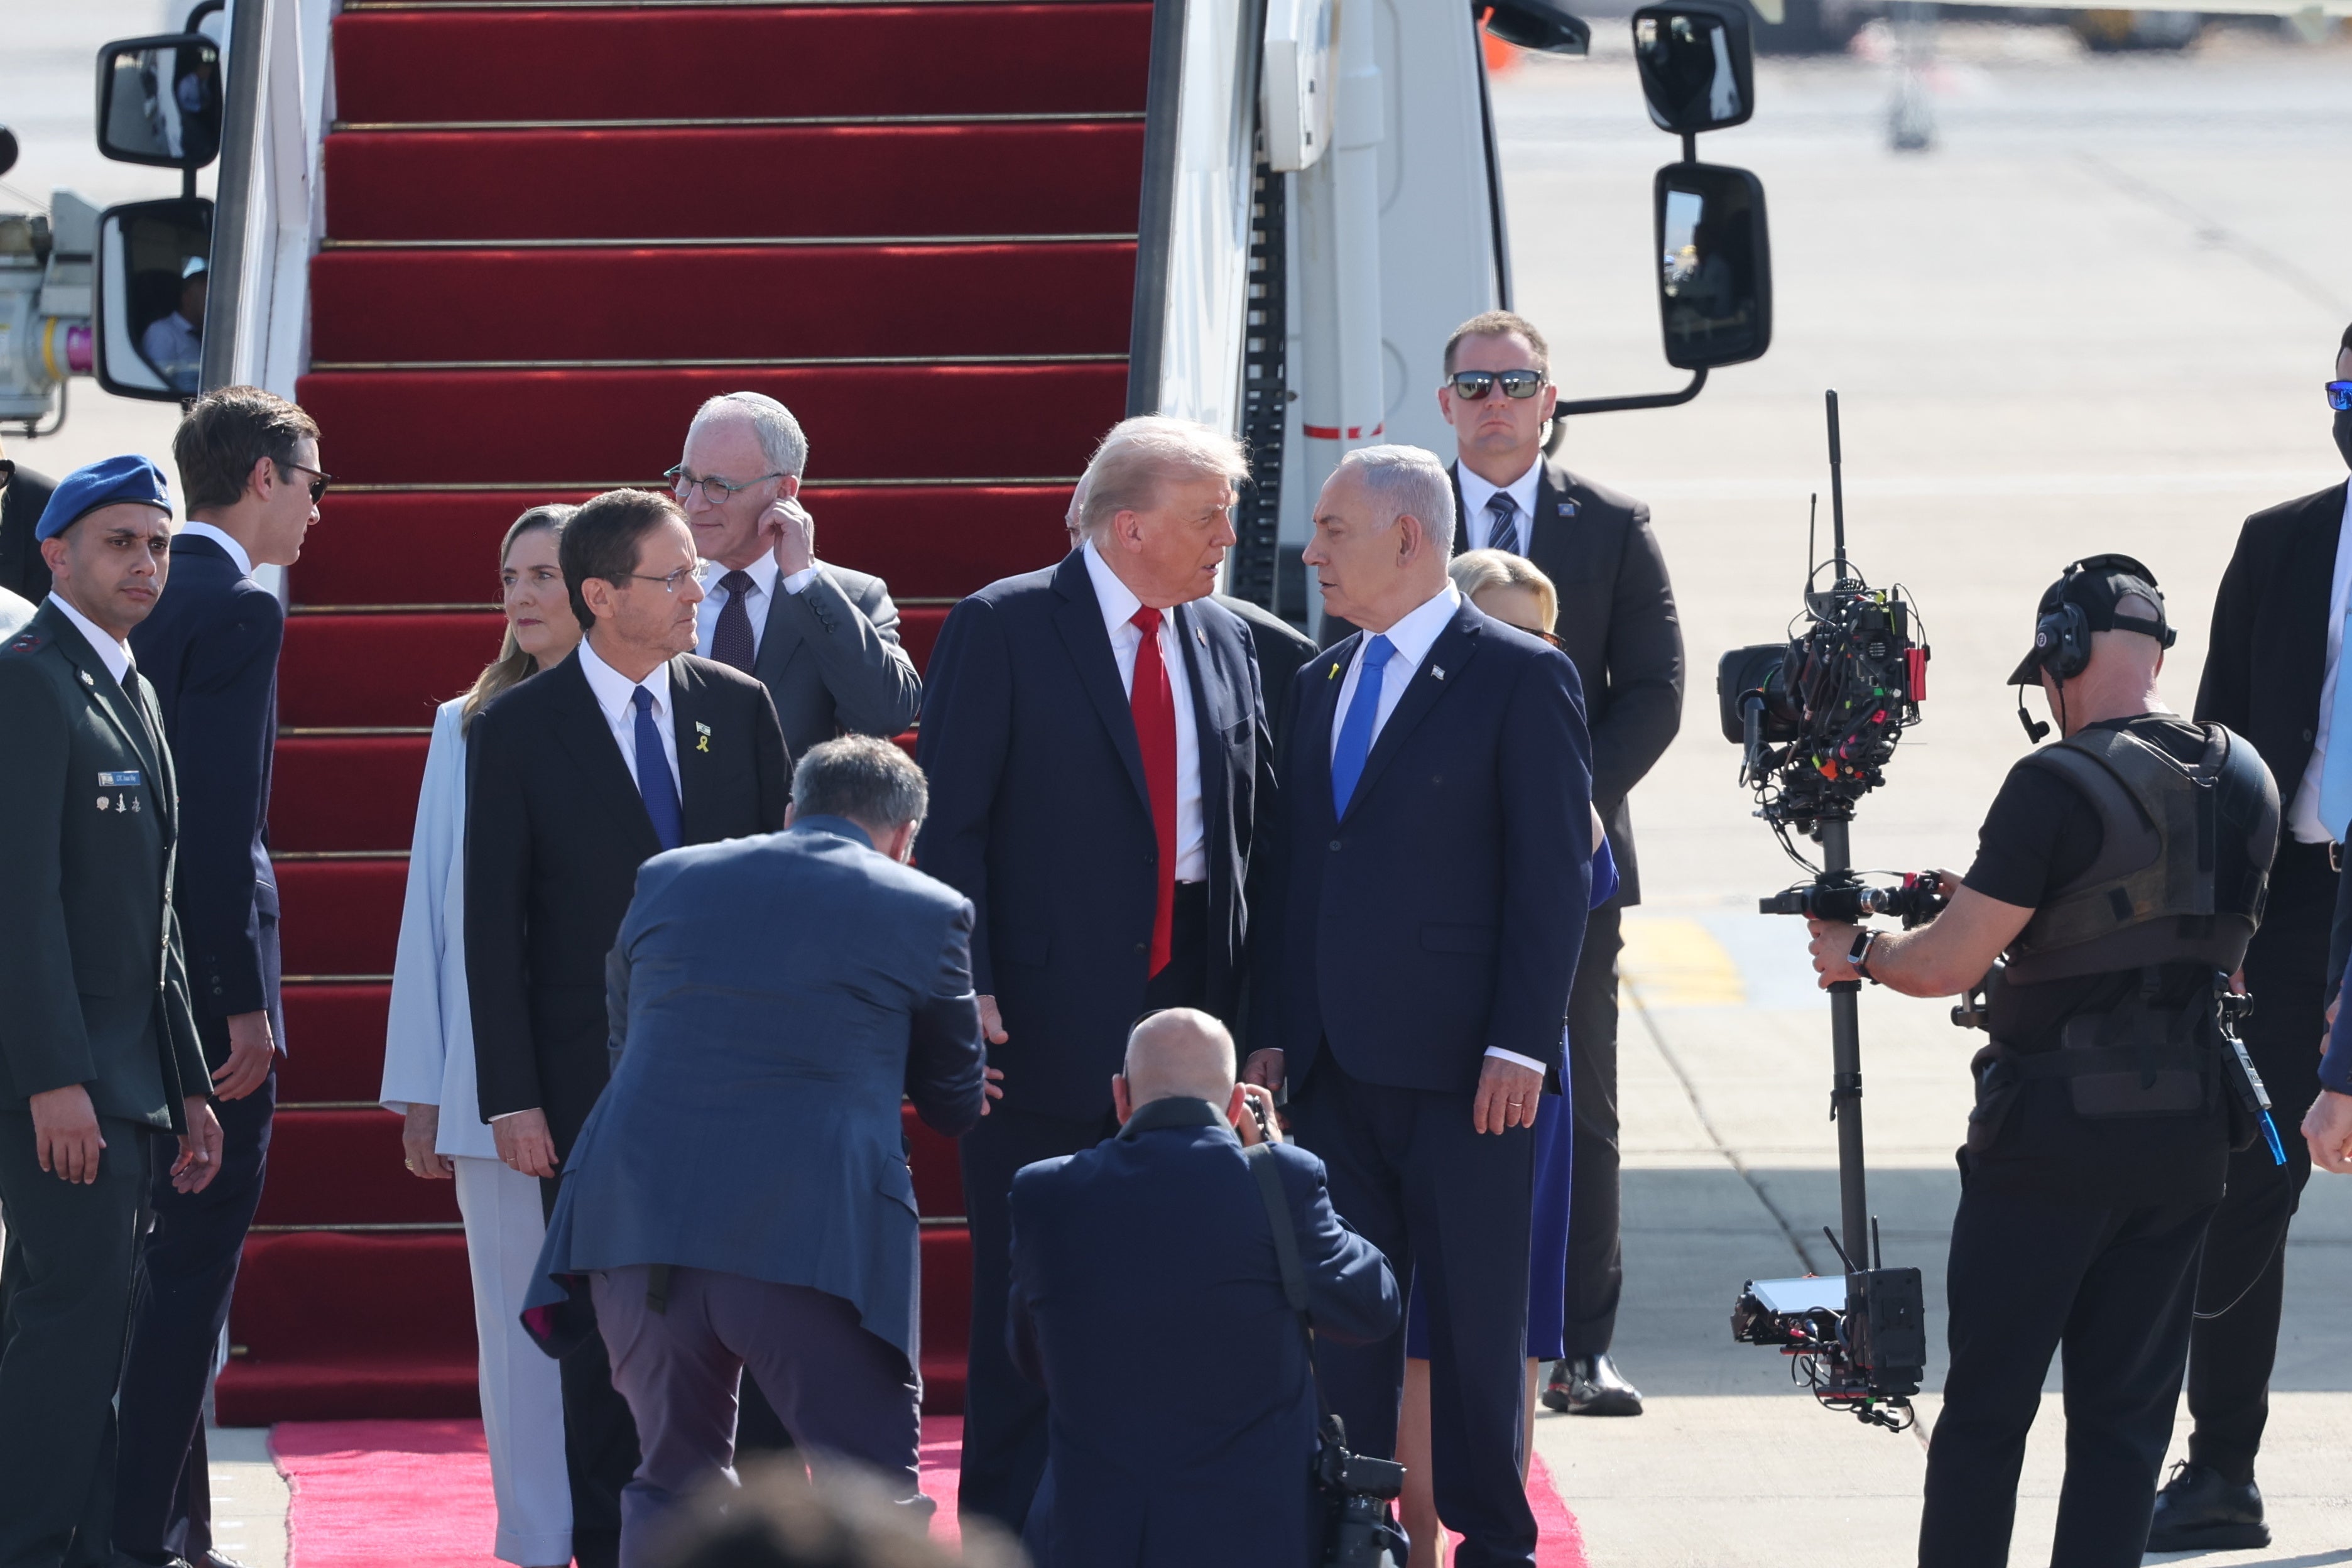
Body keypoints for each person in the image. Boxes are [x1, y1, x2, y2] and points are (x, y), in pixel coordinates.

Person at [1802, 557, 2278, 1568]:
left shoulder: (2053, 782)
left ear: (2061, 653)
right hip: (2189, 1138)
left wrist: (1863, 955)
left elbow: (1944, 966)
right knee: (2124, 1424)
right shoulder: (2246, 774)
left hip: (2052, 1144)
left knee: (1987, 1415)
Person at [915, 415, 1273, 1534]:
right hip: (1038, 1030)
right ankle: (1008, 1542)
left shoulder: (1223, 634)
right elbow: (952, 826)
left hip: (1190, 1028)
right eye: (1208, 513)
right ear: (1130, 526)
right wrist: (964, 983)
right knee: (1032, 1309)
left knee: (1181, 1306)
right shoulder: (1006, 625)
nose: (1228, 533)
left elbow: (1247, 836)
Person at [1246, 445, 1592, 1568]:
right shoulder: (1318, 679)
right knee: (1346, 1320)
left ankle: (1492, 1542)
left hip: (1467, 1074)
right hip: (1337, 1068)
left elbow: (1548, 882)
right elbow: (1299, 874)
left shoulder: (1517, 673)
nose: (1311, 552)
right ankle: (1357, 1530)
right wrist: (1273, 1031)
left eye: (1333, 530)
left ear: (1407, 536)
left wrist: (1519, 1043)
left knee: (1479, 1326)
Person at [523, 736, 988, 1566]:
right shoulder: (927, 908)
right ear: (905, 835)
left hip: (637, 1226)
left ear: (790, 812)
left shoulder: (671, 877)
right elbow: (954, 1103)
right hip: (812, 1238)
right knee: (870, 1491)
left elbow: (628, 1044)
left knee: (670, 1484)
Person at [466, 487, 790, 1568]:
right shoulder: (514, 729)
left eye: (696, 569)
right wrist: (511, 1096)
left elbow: (789, 895)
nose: (701, 587)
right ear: (601, 597)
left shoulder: (738, 706)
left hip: (738, 1094)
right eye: (676, 574)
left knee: (745, 1329)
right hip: (587, 1096)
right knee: (609, 1344)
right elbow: (492, 927)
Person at [1438, 310, 1682, 1418]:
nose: (1494, 402)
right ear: (1444, 401)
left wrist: (1565, 802)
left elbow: (1655, 691)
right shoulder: (1394, 508)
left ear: (1549, 399)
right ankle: (1421, 1327)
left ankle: (1582, 1345)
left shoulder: (1613, 527)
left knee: (1576, 1101)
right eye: (1473, 384)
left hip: (1571, 863)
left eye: (1515, 381)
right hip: (1424, 862)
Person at [0, 456, 221, 1568]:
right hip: (67, 1085)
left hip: (131, 1079)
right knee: (66, 1334)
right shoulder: (29, 680)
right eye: (119, 542)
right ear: (55, 553)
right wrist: (54, 1078)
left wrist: (187, 1078)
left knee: (86, 1335)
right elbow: (19, 900)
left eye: (158, 544)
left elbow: (154, 909)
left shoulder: (126, 682)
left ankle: (75, 1544)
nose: (145, 563)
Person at [2153, 321, 2352, 1552]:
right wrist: (2214, 934)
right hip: (2292, 909)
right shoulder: (2283, 546)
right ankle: (2220, 1469)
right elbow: (2219, 753)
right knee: (2245, 1188)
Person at [114, 387, 321, 1568]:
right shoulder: (240, 604)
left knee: (139, 1274)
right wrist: (238, 1002)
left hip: (122, 984)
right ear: (259, 477)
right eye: (311, 482)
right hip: (203, 999)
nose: (315, 507)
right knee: (189, 1284)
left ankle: (167, 1527)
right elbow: (218, 823)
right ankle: (149, 1535)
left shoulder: (135, 598)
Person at [1390, 550, 1618, 1567]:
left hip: (1524, 1072)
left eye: (1538, 636)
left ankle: (1484, 1531)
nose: (1524, 656)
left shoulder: (1556, 761)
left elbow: (1576, 883)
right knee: (1417, 1330)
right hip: (1415, 1069)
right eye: (1500, 631)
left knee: (1507, 1325)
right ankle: (1411, 1533)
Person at [1007, 1009, 1398, 1567]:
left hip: (1092, 1538)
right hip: (1257, 1541)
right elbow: (1373, 1308)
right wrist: (1270, 1146)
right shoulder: (1280, 1182)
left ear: (1121, 1097)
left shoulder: (1045, 1193)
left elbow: (1030, 1356)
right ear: (1237, 1105)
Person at [379, 504, 580, 1568]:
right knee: (515, 1328)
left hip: (614, 1072)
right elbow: (432, 912)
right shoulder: (464, 721)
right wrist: (422, 1083)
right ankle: (535, 1541)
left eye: (545, 573)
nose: (522, 594)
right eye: (511, 574)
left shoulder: (650, 715)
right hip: (485, 1082)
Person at [672, 392, 920, 755]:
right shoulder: (645, 583)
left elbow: (883, 715)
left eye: (718, 487)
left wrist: (804, 580)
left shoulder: (846, 596)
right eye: (686, 479)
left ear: (784, 491)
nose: (692, 504)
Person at [1064, 479, 1319, 749]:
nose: (1085, 551)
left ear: (1132, 531)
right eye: (1074, 531)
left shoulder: (1268, 647)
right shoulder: (1022, 632)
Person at [139, 259, 205, 396]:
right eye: (206, 298)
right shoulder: (162, 332)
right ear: (187, 299)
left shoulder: (210, 334)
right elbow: (155, 381)